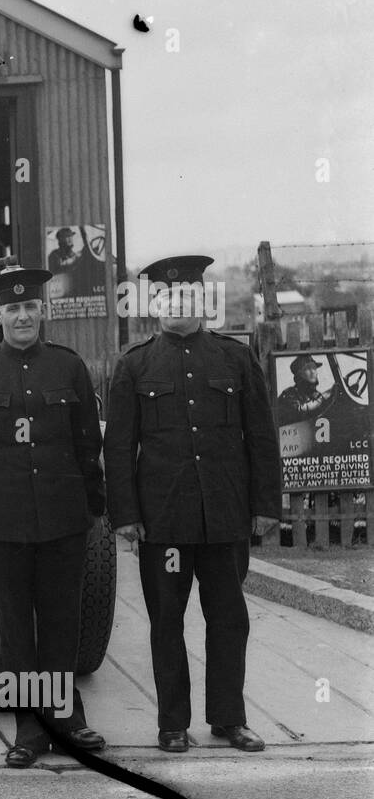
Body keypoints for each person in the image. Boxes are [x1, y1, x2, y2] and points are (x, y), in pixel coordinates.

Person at [104, 255, 282, 753]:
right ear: (153, 304)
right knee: (167, 622)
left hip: (224, 515)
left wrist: (266, 504)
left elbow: (262, 435)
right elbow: (118, 448)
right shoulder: (135, 364)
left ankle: (229, 718)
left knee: (228, 618)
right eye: (165, 296)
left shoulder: (234, 358)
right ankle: (172, 724)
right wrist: (126, 518)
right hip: (164, 522)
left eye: (186, 295)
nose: (175, 304)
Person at [0, 268, 108, 767]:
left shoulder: (68, 367)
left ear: (42, 312)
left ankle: (67, 720)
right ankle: (28, 729)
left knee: (62, 621)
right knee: (16, 628)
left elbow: (88, 443)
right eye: (12, 309)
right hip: (2, 523)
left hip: (63, 518)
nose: (22, 316)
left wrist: (94, 509)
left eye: (30, 307)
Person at [275, 354, 332, 426]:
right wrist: (322, 398)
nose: (312, 372)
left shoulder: (316, 394)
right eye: (308, 368)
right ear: (299, 374)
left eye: (314, 368)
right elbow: (298, 411)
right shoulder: (289, 393)